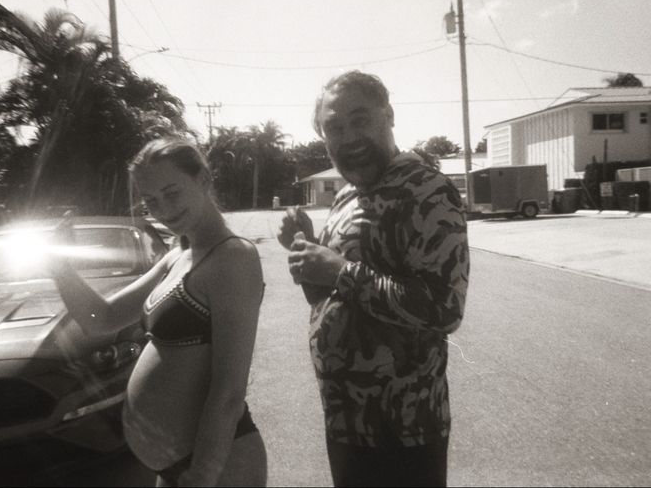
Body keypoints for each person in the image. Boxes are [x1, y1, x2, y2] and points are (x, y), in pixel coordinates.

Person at [277, 71, 469, 487]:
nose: (348, 137)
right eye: (335, 127)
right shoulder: (347, 196)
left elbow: (443, 308)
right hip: (347, 420)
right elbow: (323, 296)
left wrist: (339, 270)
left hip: (404, 431)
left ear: (389, 116)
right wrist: (307, 250)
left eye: (359, 120)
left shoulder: (426, 189)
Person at [49, 136, 267, 487]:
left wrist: (203, 474)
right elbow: (100, 319)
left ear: (204, 181)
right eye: (151, 201)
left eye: (172, 193)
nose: (163, 209)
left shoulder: (232, 258)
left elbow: (229, 389)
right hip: (177, 465)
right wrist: (58, 266)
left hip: (218, 465)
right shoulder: (176, 257)